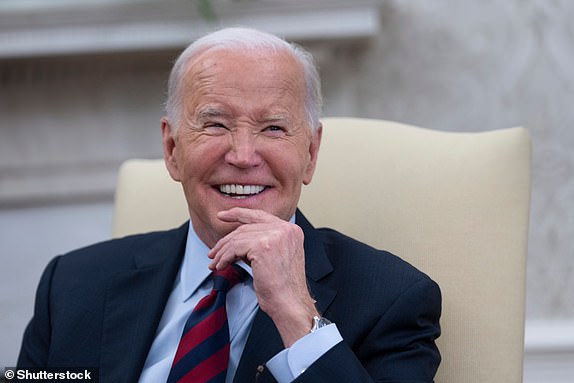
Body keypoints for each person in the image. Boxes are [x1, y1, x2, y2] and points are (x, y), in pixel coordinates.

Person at [18, 27, 441, 382]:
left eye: (273, 128)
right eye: (215, 124)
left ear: (310, 154)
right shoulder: (72, 285)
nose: (242, 155)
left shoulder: (392, 300)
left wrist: (298, 316)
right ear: (171, 149)